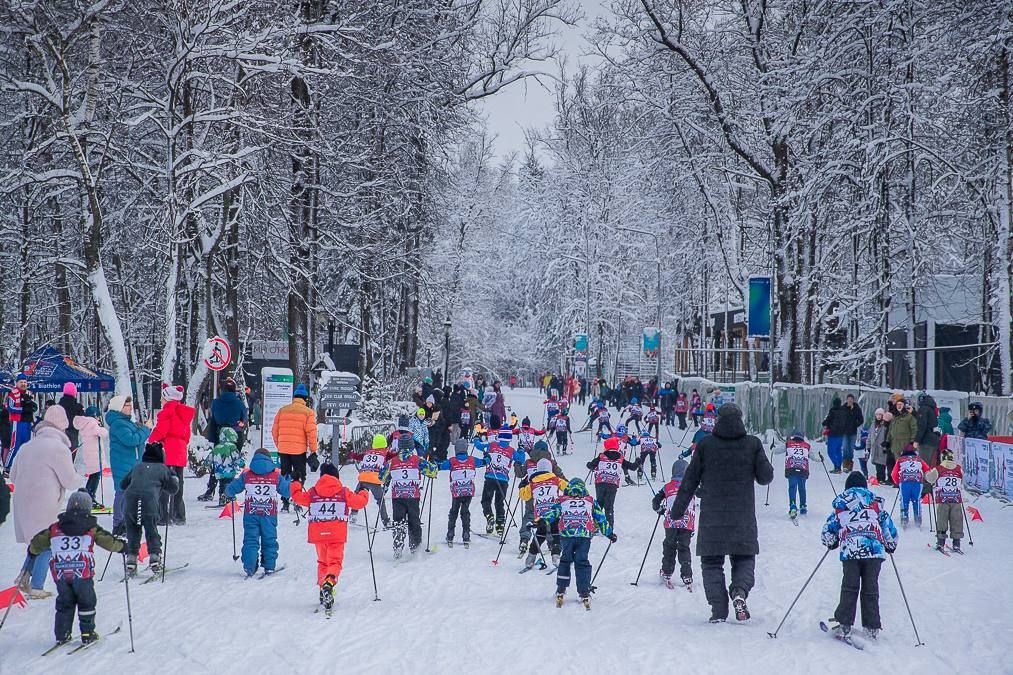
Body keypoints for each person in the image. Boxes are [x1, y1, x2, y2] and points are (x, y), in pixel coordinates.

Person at [669, 403, 773, 623]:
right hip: (742, 516)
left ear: (717, 420)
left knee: (711, 563)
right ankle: (739, 592)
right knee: (744, 558)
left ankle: (718, 610)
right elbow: (766, 477)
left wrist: (677, 511)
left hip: (712, 517)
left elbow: (689, 481)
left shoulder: (706, 445)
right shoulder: (752, 444)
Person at [27, 490, 126, 647]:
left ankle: (62, 634)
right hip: (82, 572)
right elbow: (107, 541)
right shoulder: (91, 527)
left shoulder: (55, 528)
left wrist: (32, 551)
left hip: (60, 572)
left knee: (65, 602)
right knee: (86, 602)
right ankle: (87, 633)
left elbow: (37, 543)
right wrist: (122, 547)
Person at [11, 406, 80, 598]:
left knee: (36, 541)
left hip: (22, 501)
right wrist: (79, 479)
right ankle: (37, 586)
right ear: (62, 425)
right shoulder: (59, 448)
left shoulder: (27, 446)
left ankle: (24, 576)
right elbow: (70, 480)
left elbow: (13, 476)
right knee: (49, 543)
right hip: (44, 502)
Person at [820, 471, 898, 641]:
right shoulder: (875, 503)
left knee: (850, 586)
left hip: (851, 550)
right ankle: (871, 627)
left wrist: (831, 541)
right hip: (874, 550)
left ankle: (844, 624)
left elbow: (829, 528)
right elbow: (887, 525)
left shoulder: (842, 503)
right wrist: (890, 544)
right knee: (871, 588)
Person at [290, 462, 369, 612]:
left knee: (322, 562)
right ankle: (329, 582)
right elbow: (360, 503)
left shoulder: (313, 492)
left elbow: (297, 497)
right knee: (335, 562)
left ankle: (322, 588)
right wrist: (364, 491)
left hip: (318, 534)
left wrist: (295, 482)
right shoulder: (343, 492)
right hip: (336, 535)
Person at [541, 478, 614, 609]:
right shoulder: (590, 501)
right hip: (584, 535)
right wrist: (609, 533)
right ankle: (584, 591)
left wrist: (541, 521)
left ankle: (561, 589)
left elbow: (552, 513)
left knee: (565, 560)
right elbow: (601, 518)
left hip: (567, 535)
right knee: (582, 561)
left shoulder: (563, 500)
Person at [227, 447, 292, 577]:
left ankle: (250, 566)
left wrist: (229, 492)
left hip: (251, 513)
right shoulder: (276, 476)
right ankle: (269, 566)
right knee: (269, 539)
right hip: (269, 513)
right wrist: (290, 481)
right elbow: (287, 491)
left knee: (250, 539)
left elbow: (232, 488)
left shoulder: (247, 475)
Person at [120, 442, 179, 575]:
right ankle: (155, 558)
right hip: (149, 502)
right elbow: (173, 489)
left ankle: (131, 559)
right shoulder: (163, 469)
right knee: (151, 530)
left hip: (129, 501)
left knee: (133, 530)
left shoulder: (137, 467)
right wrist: (173, 477)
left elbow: (123, 485)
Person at [148, 383, 194, 525]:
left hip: (168, 450)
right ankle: (179, 515)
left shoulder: (167, 412)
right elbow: (187, 435)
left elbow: (160, 431)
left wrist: (151, 441)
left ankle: (164, 517)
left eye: (162, 398)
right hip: (180, 450)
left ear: (168, 399)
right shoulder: (183, 412)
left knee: (165, 484)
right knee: (178, 483)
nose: (160, 400)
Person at [386, 431, 437, 558]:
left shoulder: (392, 461)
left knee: (398, 521)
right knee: (414, 521)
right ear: (411, 446)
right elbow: (432, 472)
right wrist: (434, 464)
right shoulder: (417, 460)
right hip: (413, 496)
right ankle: (415, 548)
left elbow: (381, 477)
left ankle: (398, 547)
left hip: (397, 497)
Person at [271, 384, 319, 513]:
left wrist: (280, 444)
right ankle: (297, 500)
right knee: (299, 475)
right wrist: (313, 450)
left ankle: (285, 502)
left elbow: (274, 431)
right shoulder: (308, 412)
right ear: (305, 398)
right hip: (299, 450)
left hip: (283, 449)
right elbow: (311, 433)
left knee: (285, 474)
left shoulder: (282, 410)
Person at [105, 395, 149, 535]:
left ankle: (126, 523)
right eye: (127, 406)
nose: (131, 408)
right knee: (122, 493)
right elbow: (131, 440)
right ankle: (118, 524)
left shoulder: (126, 422)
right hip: (123, 464)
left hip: (131, 463)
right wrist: (146, 429)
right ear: (119, 408)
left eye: (130, 405)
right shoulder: (119, 424)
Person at [200, 377, 249, 501]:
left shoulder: (216, 403)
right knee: (230, 463)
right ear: (234, 390)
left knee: (217, 462)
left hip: (219, 435)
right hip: (235, 436)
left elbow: (213, 418)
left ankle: (210, 490)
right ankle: (226, 492)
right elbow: (244, 420)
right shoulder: (239, 403)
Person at [651, 459, 695, 588]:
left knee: (669, 546)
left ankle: (667, 572)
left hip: (671, 523)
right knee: (684, 547)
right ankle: (687, 575)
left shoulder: (667, 487)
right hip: (687, 523)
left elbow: (655, 501)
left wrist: (659, 509)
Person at [476, 420, 525, 536]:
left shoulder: (492, 445)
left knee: (486, 500)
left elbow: (479, 446)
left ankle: (489, 516)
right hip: (503, 480)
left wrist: (476, 438)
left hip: (490, 476)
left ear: (499, 436)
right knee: (499, 502)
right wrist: (521, 449)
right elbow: (521, 460)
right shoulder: (512, 451)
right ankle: (500, 525)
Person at [518, 458, 567, 570]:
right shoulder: (556, 479)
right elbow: (568, 489)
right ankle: (556, 556)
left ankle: (530, 559)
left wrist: (521, 486)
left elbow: (524, 496)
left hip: (540, 513)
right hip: (553, 512)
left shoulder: (533, 483)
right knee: (556, 533)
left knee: (540, 534)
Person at [438, 438, 486, 546]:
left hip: (457, 491)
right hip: (468, 490)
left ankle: (450, 534)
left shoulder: (452, 461)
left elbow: (441, 466)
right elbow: (483, 462)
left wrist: (434, 463)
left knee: (454, 511)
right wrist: (487, 456)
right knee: (465, 511)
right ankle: (466, 534)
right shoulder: (472, 460)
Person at [585, 435, 639, 529]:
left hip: (601, 483)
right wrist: (638, 461)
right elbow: (633, 467)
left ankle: (595, 526)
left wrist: (589, 464)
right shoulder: (620, 458)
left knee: (599, 504)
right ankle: (609, 527)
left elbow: (591, 466)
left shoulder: (601, 456)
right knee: (609, 506)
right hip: (612, 484)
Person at [924, 449, 964, 553]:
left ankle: (940, 542)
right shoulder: (959, 469)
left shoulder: (938, 469)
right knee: (957, 520)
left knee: (942, 520)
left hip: (942, 499)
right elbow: (962, 480)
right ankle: (956, 543)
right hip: (956, 499)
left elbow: (930, 479)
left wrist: (927, 473)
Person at [348, 434, 392, 528]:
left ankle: (353, 514)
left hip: (363, 479)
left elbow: (358, 457)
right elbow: (390, 462)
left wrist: (351, 455)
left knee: (357, 496)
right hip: (374, 480)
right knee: (380, 500)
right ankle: (386, 521)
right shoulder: (385, 453)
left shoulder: (368, 453)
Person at [74, 407, 109, 508]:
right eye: (98, 416)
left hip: (90, 454)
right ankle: (90, 497)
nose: (99, 418)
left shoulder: (86, 422)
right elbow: (103, 433)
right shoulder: (92, 423)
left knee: (93, 476)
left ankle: (87, 497)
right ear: (94, 415)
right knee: (95, 477)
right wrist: (101, 427)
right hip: (94, 455)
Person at [4, 375, 36, 473]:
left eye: (25, 382)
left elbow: (33, 407)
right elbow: (10, 408)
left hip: (27, 422)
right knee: (15, 445)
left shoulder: (29, 393)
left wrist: (33, 406)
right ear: (17, 383)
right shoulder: (13, 393)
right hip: (17, 423)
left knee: (26, 446)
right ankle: (7, 467)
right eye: (21, 382)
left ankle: (24, 467)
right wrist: (23, 409)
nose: (23, 384)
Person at [776, 431, 812, 518]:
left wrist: (773, 448)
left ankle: (792, 506)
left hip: (791, 468)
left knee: (792, 487)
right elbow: (813, 457)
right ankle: (803, 506)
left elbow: (776, 451)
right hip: (803, 468)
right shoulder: (807, 446)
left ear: (793, 437)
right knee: (802, 487)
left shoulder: (788, 444)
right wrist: (820, 459)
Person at [208, 427, 245, 506]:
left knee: (222, 484)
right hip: (229, 470)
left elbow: (210, 458)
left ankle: (222, 497)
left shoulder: (217, 447)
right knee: (229, 484)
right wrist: (242, 464)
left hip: (218, 472)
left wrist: (206, 464)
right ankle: (229, 497)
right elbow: (236, 458)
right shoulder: (232, 447)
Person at [885, 399, 916, 484]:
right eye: (897, 404)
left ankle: (903, 481)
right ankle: (897, 481)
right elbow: (890, 430)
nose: (899, 406)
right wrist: (887, 441)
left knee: (904, 464)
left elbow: (914, 429)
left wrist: (912, 442)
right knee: (897, 464)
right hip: (895, 445)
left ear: (904, 406)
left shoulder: (909, 417)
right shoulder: (895, 417)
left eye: (901, 404)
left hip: (905, 445)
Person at [913, 393, 940, 483]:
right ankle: (929, 483)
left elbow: (922, 426)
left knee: (924, 464)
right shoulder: (931, 409)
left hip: (926, 441)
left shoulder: (923, 409)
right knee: (930, 463)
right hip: (933, 440)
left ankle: (925, 485)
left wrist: (917, 440)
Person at [822, 396, 850, 473]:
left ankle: (837, 466)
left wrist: (824, 423)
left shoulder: (832, 411)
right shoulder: (844, 412)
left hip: (833, 434)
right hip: (841, 434)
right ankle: (838, 467)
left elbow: (827, 421)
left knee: (831, 452)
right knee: (838, 451)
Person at [57, 382, 86, 459]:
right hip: (73, 432)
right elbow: (83, 420)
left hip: (60, 432)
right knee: (71, 455)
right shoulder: (78, 407)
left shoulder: (58, 406)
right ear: (74, 393)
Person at [868, 409, 891, 484]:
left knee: (881, 463)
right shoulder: (873, 424)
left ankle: (882, 478)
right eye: (877, 414)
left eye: (880, 414)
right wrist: (868, 446)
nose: (878, 416)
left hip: (882, 447)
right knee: (877, 463)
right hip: (875, 447)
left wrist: (886, 444)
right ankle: (879, 478)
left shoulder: (885, 425)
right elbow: (870, 436)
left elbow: (888, 435)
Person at [841, 394, 864, 472]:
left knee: (851, 448)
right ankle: (845, 464)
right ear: (846, 400)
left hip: (853, 432)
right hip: (844, 432)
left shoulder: (857, 409)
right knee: (845, 447)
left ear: (853, 400)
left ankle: (850, 464)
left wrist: (855, 424)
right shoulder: (843, 408)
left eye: (851, 399)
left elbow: (861, 419)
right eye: (849, 399)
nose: (850, 401)